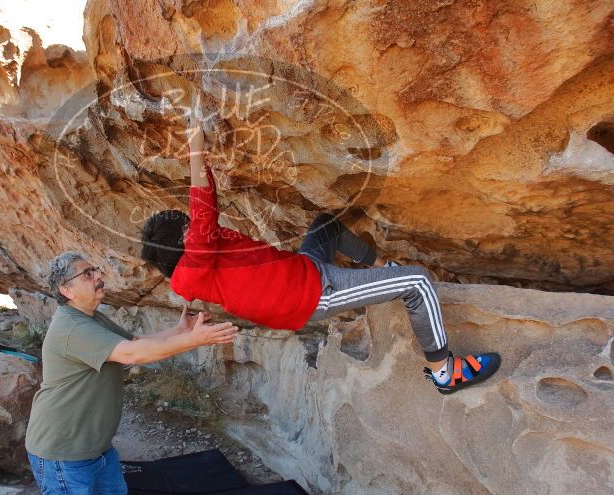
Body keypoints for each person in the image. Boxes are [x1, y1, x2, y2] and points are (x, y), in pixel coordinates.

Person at [140, 112, 500, 395]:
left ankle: (385, 270)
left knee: (326, 224)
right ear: (182, 243)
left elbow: (207, 205)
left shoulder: (198, 257)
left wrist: (203, 161)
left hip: (306, 269)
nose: (194, 226)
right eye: (187, 228)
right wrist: (195, 150)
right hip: (315, 295)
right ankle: (444, 372)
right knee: (419, 282)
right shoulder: (192, 267)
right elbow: (204, 211)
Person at [25, 252, 239, 495]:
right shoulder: (71, 328)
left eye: (96, 270)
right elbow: (132, 355)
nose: (98, 276)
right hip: (63, 451)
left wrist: (179, 330)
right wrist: (194, 339)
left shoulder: (91, 318)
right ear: (67, 290)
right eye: (87, 274)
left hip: (97, 446)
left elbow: (135, 342)